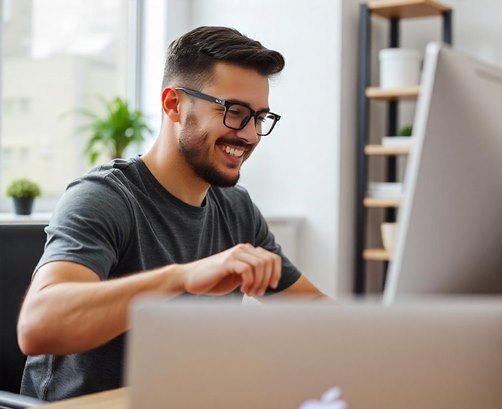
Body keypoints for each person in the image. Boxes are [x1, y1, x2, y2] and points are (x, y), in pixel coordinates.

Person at [17, 26, 328, 401]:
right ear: (173, 104)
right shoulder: (104, 198)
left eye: (260, 118)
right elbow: (39, 326)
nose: (250, 135)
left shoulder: (236, 209)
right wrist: (184, 277)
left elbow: (312, 309)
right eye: (234, 112)